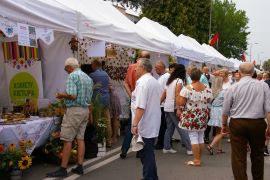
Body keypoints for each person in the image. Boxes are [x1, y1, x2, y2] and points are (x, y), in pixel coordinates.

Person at [222, 63, 270, 180]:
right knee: (258, 155)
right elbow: (268, 109)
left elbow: (225, 111)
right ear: (253, 72)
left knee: (238, 157)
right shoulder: (263, 86)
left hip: (237, 123)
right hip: (257, 123)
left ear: (239, 72)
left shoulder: (233, 87)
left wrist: (224, 124)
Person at [47, 57, 93, 177]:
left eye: (65, 68)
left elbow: (72, 96)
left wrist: (61, 94)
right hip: (84, 110)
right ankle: (80, 166)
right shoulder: (87, 77)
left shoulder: (72, 76)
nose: (65, 70)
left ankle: (63, 169)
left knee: (67, 139)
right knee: (80, 138)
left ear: (69, 67)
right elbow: (90, 98)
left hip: (74, 111)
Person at [131, 58, 161, 180]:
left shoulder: (143, 83)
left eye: (137, 66)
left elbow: (141, 106)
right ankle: (152, 176)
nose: (135, 69)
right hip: (151, 120)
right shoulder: (153, 81)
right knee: (147, 152)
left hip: (145, 122)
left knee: (146, 153)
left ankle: (149, 177)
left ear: (143, 68)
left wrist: (134, 124)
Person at [178, 67, 212, 166]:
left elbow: (182, 102)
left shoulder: (187, 88)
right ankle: (199, 158)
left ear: (190, 76)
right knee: (200, 136)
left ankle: (196, 160)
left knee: (193, 137)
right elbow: (209, 100)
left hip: (191, 115)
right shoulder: (207, 87)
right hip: (203, 114)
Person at [120, 50, 150, 159]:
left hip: (133, 100)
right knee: (141, 124)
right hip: (141, 100)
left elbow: (125, 83)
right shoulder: (146, 70)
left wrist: (132, 95)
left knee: (131, 125)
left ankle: (124, 150)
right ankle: (139, 150)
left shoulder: (131, 67)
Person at [160, 64, 192, 155]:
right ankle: (189, 148)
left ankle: (166, 147)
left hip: (167, 107)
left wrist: (158, 103)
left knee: (169, 128)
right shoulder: (179, 80)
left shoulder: (170, 80)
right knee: (181, 127)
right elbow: (177, 95)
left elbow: (164, 93)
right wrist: (178, 109)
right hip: (174, 107)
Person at [89, 59, 112, 147]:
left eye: (92, 65)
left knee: (98, 121)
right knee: (107, 121)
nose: (91, 67)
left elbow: (90, 87)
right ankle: (109, 141)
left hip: (97, 101)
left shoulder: (92, 75)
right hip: (106, 99)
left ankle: (100, 141)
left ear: (95, 65)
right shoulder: (105, 74)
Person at [207, 77, 226, 155]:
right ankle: (211, 146)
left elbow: (208, 103)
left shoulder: (210, 91)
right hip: (220, 111)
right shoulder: (223, 92)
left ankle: (219, 148)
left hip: (213, 111)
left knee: (218, 131)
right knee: (224, 131)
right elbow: (227, 103)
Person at [154, 60, 170, 150]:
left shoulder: (166, 76)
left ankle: (161, 143)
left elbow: (166, 91)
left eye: (156, 68)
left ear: (161, 68)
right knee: (163, 125)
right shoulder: (161, 77)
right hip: (161, 104)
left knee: (163, 125)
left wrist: (160, 101)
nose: (155, 69)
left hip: (163, 104)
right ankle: (163, 142)